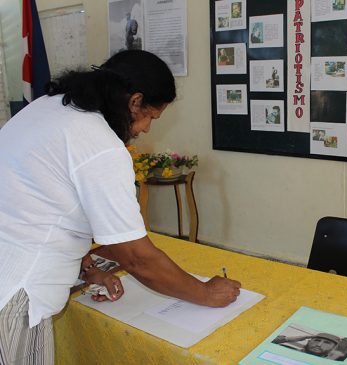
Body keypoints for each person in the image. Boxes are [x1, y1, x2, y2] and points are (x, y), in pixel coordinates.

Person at [0, 50, 241, 364]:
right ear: (135, 101)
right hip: (18, 295)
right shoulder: (101, 147)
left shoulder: (47, 108)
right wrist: (206, 294)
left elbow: (40, 201)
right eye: (150, 117)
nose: (146, 130)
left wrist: (88, 268)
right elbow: (138, 258)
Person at [273, 333, 347, 359]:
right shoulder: (286, 351)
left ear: (333, 348)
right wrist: (287, 339)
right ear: (309, 341)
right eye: (316, 340)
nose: (319, 344)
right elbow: (267, 342)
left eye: (327, 343)